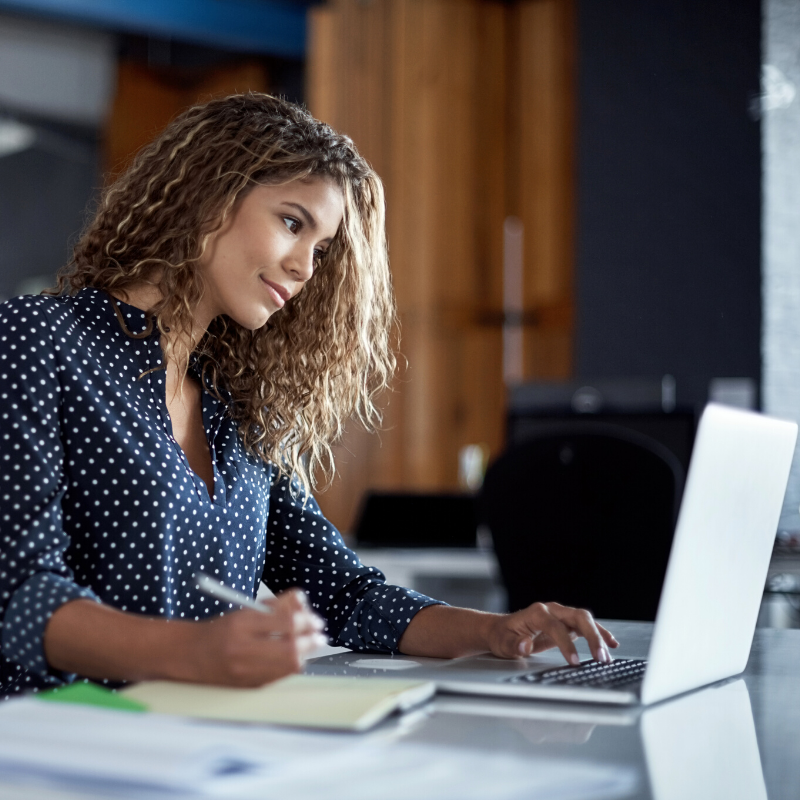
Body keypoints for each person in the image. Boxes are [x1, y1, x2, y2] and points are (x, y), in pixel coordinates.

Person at [0, 93, 617, 696]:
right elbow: (21, 596)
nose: (304, 267)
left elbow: (345, 593)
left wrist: (499, 631)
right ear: (206, 192)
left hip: (197, 747)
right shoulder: (34, 340)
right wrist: (197, 652)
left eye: (320, 249)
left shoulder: (236, 405)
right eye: (291, 222)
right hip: (58, 751)